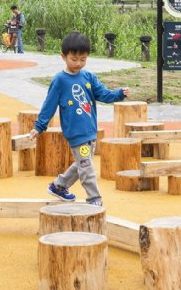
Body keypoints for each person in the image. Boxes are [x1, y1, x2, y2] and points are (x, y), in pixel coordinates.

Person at [29, 31, 130, 206]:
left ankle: (59, 186)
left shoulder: (88, 77)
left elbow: (103, 94)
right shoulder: (60, 80)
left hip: (90, 129)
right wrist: (39, 126)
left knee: (84, 163)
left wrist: (119, 94)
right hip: (76, 133)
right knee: (87, 167)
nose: (78, 63)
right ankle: (94, 198)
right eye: (74, 59)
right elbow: (49, 105)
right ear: (63, 57)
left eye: (83, 59)